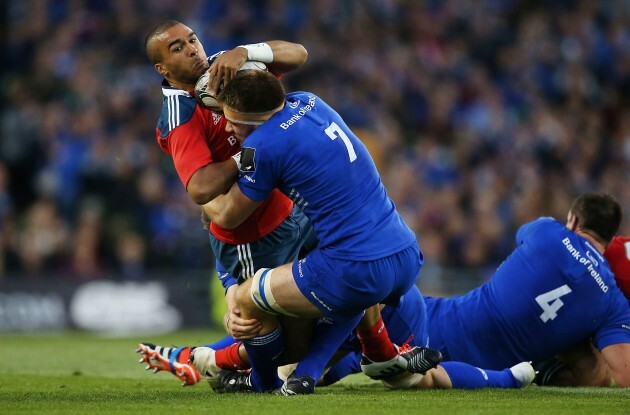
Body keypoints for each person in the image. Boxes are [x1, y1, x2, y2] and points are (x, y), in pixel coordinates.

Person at [139, 20, 422, 388]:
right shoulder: (181, 115)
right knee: (290, 336)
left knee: (353, 271)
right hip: (251, 233)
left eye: (192, 39)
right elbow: (199, 187)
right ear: (161, 68)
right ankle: (222, 368)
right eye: (177, 48)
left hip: (292, 211)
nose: (192, 49)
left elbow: (298, 54)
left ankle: (374, 353)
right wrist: (251, 159)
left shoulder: (226, 66)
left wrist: (246, 52)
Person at [194, 70, 435, 395]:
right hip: (404, 253)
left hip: (355, 268)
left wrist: (196, 192)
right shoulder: (309, 100)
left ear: (250, 120)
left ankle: (262, 382)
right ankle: (376, 354)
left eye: (231, 120)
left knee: (247, 296)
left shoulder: (256, 147)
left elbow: (227, 215)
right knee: (351, 287)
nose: (226, 127)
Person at [419, 192, 630, 388]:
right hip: (489, 374)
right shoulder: (613, 302)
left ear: (573, 220)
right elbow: (624, 375)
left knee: (395, 302)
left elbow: (521, 237)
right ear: (610, 239)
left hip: (441, 324)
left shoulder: (547, 229)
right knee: (588, 363)